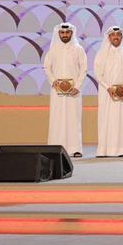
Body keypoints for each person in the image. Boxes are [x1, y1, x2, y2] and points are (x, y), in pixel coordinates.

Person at [43, 22, 87, 157]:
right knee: (57, 119)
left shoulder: (78, 49)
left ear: (71, 33)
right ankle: (55, 148)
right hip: (57, 92)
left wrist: (78, 87)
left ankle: (75, 149)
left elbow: (83, 69)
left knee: (74, 119)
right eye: (62, 33)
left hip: (74, 92)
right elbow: (47, 68)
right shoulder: (53, 50)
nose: (65, 35)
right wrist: (54, 82)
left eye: (67, 33)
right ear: (59, 34)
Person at [93, 26, 123, 158]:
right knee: (106, 119)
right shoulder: (101, 54)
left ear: (122, 37)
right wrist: (108, 87)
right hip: (107, 93)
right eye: (113, 35)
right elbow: (98, 73)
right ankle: (104, 150)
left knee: (122, 121)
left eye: (118, 35)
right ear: (109, 37)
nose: (115, 37)